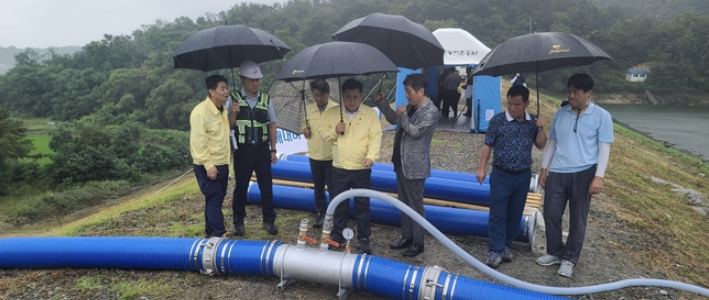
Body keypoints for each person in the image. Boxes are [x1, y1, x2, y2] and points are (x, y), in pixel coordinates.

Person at [536, 73, 613, 277]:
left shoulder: (602, 116)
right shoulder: (561, 114)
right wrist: (544, 168)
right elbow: (552, 142)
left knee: (578, 218)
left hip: (584, 171)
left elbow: (604, 148)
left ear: (588, 93)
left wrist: (599, 176)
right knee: (551, 213)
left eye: (576, 92)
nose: (571, 95)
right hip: (559, 171)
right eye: (569, 91)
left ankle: (570, 258)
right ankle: (554, 251)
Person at [476, 85, 547, 268]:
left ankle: (506, 245)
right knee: (498, 213)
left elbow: (541, 145)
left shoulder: (533, 121)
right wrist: (481, 168)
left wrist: (541, 128)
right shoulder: (498, 120)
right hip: (501, 174)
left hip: (523, 175)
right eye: (509, 103)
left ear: (526, 104)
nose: (512, 108)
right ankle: (495, 250)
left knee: (515, 214)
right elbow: (487, 145)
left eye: (517, 104)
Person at [375, 74, 438, 257]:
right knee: (404, 203)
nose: (407, 95)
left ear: (421, 91)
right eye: (406, 91)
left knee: (415, 205)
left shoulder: (430, 111)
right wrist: (383, 103)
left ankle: (418, 242)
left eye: (409, 91)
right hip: (401, 162)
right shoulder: (411, 107)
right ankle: (407, 236)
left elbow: (415, 132)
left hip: (415, 166)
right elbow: (396, 120)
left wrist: (402, 116)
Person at [317, 78, 382, 254]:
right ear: (342, 97)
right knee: (339, 203)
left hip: (361, 168)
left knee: (362, 204)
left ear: (361, 96)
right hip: (339, 166)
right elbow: (323, 135)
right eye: (347, 97)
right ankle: (337, 235)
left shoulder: (370, 114)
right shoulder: (332, 113)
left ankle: (364, 238)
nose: (351, 101)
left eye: (355, 97)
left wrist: (371, 156)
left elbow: (375, 137)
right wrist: (335, 130)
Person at [229, 60, 279, 236]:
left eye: (257, 79)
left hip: (261, 148)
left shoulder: (266, 99)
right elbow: (229, 126)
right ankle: (238, 222)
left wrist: (273, 150)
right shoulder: (233, 99)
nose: (255, 83)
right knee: (241, 187)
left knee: (266, 186)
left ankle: (269, 221)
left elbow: (272, 125)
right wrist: (233, 113)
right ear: (242, 79)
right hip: (242, 150)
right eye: (251, 80)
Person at [190, 74, 235, 239]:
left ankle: (209, 230)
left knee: (215, 198)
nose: (226, 92)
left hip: (222, 162)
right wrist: (209, 165)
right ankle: (220, 233)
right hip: (207, 165)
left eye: (227, 88)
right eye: (222, 88)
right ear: (211, 91)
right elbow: (198, 144)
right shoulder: (200, 113)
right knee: (215, 198)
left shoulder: (222, 110)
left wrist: (233, 114)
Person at [302, 79, 338, 228]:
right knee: (318, 188)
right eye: (315, 95)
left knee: (333, 188)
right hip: (314, 155)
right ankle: (320, 212)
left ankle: (334, 215)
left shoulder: (336, 109)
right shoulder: (308, 109)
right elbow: (306, 129)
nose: (318, 98)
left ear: (328, 94)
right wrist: (306, 132)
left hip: (330, 156)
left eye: (322, 95)